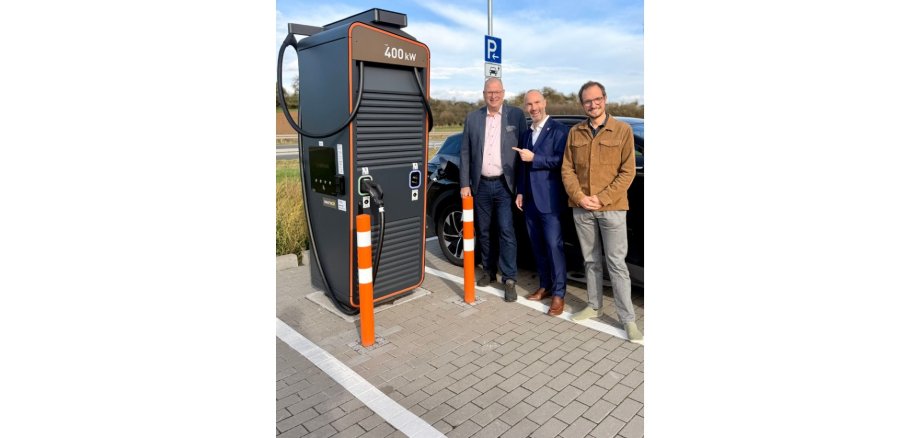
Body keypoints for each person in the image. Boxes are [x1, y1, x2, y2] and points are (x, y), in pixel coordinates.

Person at [560, 80, 643, 344]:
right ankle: (594, 306)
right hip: (582, 207)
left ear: (605, 99)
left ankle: (628, 319)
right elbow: (567, 169)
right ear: (582, 104)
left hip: (613, 208)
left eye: (597, 99)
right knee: (591, 261)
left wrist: (602, 198)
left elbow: (628, 171)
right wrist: (581, 197)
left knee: (617, 265)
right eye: (587, 101)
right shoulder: (575, 132)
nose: (592, 104)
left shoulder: (622, 130)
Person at [460, 77, 527, 302]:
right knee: (485, 231)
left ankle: (509, 278)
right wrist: (464, 184)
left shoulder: (516, 116)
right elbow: (465, 153)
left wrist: (521, 187)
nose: (493, 96)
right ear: (484, 94)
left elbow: (524, 152)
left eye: (497, 92)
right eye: (490, 92)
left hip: (504, 185)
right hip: (481, 185)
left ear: (504, 93)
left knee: (507, 231)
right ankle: (488, 271)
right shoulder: (472, 118)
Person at [512, 90, 570, 316]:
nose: (533, 107)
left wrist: (535, 158)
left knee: (554, 247)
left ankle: (559, 294)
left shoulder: (559, 131)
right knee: (538, 247)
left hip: (550, 200)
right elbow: (523, 167)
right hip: (530, 201)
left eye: (537, 103)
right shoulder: (527, 134)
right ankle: (545, 286)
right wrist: (520, 192)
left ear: (545, 103)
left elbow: (562, 161)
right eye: (529, 104)